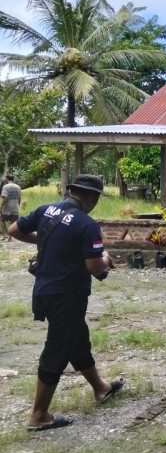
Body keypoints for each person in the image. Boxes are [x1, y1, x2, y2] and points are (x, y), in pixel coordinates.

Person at [9, 174, 123, 431]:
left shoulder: (45, 210)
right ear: (93, 198)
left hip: (44, 290)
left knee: (77, 338)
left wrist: (46, 238)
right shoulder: (86, 224)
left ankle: (100, 388)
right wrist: (106, 258)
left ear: (71, 191)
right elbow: (95, 267)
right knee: (58, 348)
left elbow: (14, 230)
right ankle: (39, 415)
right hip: (68, 295)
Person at [1, 175, 21, 241]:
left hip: (7, 207)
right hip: (15, 207)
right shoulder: (18, 187)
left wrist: (1, 207)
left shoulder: (5, 186)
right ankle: (10, 237)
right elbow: (19, 198)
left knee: (2, 220)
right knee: (12, 222)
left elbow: (5, 197)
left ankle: (5, 234)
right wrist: (18, 205)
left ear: (7, 179)